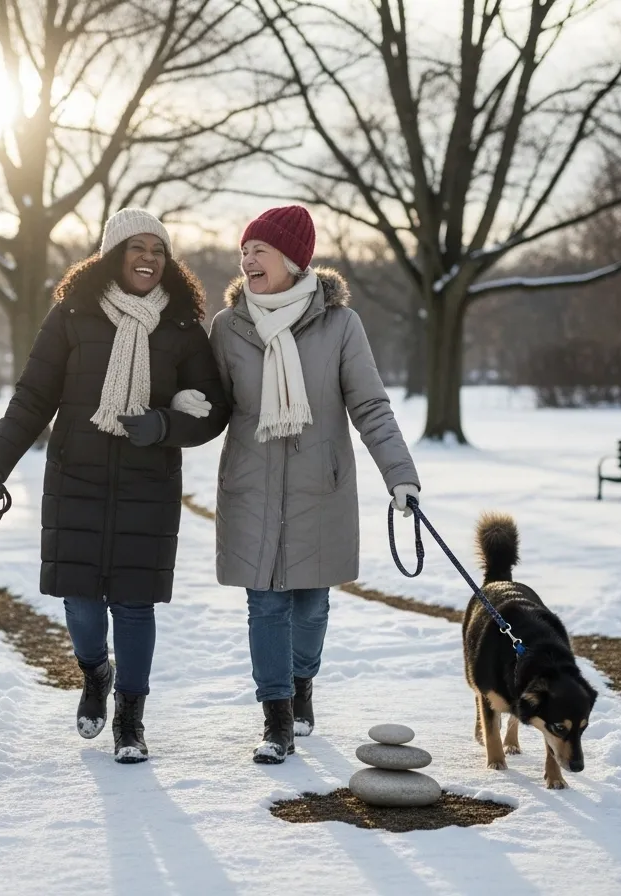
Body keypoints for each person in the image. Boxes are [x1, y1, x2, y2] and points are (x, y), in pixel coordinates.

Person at [0, 209, 229, 763]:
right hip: (76, 480)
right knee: (82, 603)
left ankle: (131, 719)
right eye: (137, 248)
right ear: (112, 255)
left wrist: (164, 424)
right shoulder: (72, 316)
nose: (148, 259)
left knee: (135, 607)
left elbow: (215, 411)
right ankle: (95, 673)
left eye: (158, 250)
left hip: (149, 486)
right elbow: (32, 398)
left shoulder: (183, 328)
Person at [209, 205, 421, 763]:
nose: (248, 259)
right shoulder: (229, 327)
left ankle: (302, 682)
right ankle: (276, 717)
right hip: (251, 486)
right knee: (265, 604)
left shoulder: (339, 325)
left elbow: (371, 406)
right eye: (244, 250)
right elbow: (211, 404)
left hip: (319, 487)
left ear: (294, 260)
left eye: (261, 249)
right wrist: (184, 406)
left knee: (310, 606)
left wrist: (401, 476)